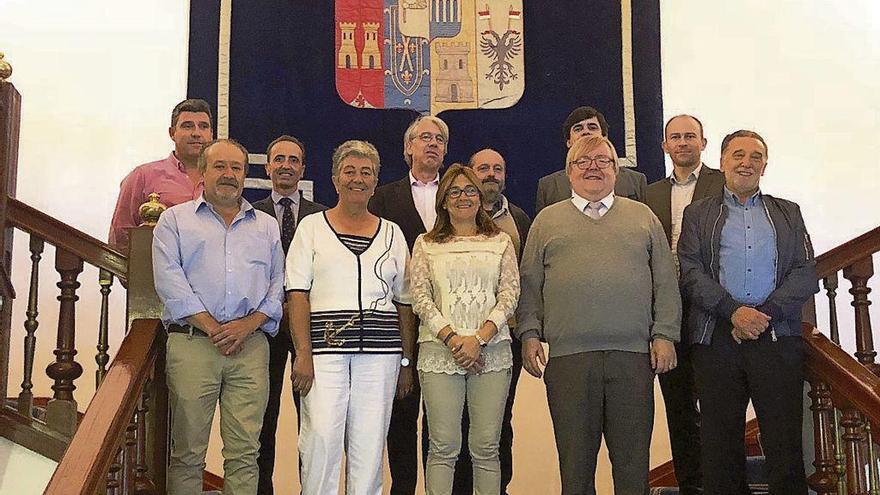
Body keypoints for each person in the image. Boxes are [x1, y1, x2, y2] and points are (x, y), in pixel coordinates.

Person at [517, 135, 681, 494]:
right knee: (575, 472)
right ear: (569, 172)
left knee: (633, 468)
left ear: (616, 170)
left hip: (633, 359)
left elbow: (666, 282)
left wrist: (665, 335)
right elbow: (529, 284)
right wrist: (529, 333)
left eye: (603, 161)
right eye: (583, 161)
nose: (593, 167)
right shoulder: (546, 221)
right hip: (569, 362)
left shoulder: (643, 217)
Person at [678, 130, 817, 494]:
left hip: (775, 338)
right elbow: (690, 271)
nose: (747, 163)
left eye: (756, 157)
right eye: (738, 155)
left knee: (784, 442)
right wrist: (733, 312)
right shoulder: (698, 214)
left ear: (765, 166)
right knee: (720, 446)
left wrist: (763, 314)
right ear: (722, 162)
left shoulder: (788, 212)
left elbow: (805, 271)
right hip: (717, 338)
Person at [152, 138, 284, 495]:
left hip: (250, 347)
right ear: (203, 173)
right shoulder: (174, 222)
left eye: (236, 168)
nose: (228, 175)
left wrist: (247, 325)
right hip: (194, 344)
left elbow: (277, 284)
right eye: (220, 167)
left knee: (245, 453)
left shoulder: (267, 227)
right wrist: (214, 328)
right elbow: (170, 281)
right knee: (187, 453)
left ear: (246, 174)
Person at [286, 140, 416, 494]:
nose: (358, 179)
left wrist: (406, 361)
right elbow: (297, 293)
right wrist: (302, 354)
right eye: (350, 171)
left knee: (369, 447)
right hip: (323, 355)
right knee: (320, 442)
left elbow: (404, 301)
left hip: (381, 357)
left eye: (366, 172)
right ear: (335, 179)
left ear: (375, 182)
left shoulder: (392, 233)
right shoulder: (311, 228)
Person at [410, 164, 520, 495]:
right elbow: (420, 298)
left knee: (486, 447)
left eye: (470, 190)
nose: (463, 197)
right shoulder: (426, 244)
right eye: (455, 191)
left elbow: (510, 294)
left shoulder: (500, 241)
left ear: (480, 198)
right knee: (443, 447)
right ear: (443, 200)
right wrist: (455, 340)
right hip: (439, 353)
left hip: (492, 354)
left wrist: (479, 339)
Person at [369, 115, 450, 494]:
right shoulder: (383, 198)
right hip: (398, 320)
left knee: (443, 422)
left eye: (439, 139)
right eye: (423, 138)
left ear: (446, 150)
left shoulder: (459, 194)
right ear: (408, 149)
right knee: (401, 417)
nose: (431, 144)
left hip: (449, 323)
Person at [644, 114, 724, 494]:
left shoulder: (723, 184)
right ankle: (692, 486)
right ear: (665, 146)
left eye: (690, 136)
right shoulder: (650, 194)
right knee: (678, 409)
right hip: (669, 318)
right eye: (675, 137)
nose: (683, 142)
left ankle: (722, 482)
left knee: (716, 407)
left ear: (703, 143)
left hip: (712, 313)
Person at [450, 148, 530, 495]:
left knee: (498, 425)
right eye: (483, 169)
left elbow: (524, 284)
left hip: (501, 340)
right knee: (454, 426)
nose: (491, 175)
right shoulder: (448, 220)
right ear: (470, 174)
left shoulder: (520, 220)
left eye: (498, 168)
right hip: (451, 341)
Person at [252, 135, 327, 495]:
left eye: (293, 160)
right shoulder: (249, 213)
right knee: (261, 422)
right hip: (262, 331)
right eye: (278, 159)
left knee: (310, 424)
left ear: (303, 168)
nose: (286, 165)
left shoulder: (322, 216)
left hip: (308, 333)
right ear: (267, 167)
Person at [110, 98, 212, 251]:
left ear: (211, 134)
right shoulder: (143, 176)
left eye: (203, 127)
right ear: (172, 133)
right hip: (152, 270)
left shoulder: (220, 179)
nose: (196, 133)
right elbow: (120, 235)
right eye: (187, 126)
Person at [534, 106, 647, 213]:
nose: (585, 132)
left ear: (604, 137)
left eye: (592, 127)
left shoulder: (635, 181)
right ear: (568, 142)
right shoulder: (548, 186)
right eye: (578, 129)